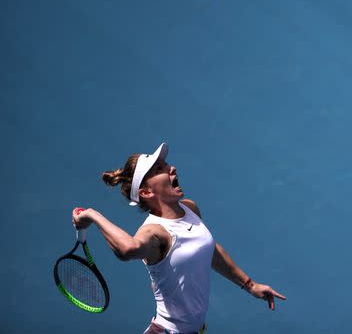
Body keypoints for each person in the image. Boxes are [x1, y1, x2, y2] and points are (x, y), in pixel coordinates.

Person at [71, 142, 286, 334]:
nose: (171, 168)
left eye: (166, 164)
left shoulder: (190, 208)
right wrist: (93, 215)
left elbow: (207, 249)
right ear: (146, 192)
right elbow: (127, 249)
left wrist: (250, 285)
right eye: (160, 169)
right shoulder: (155, 233)